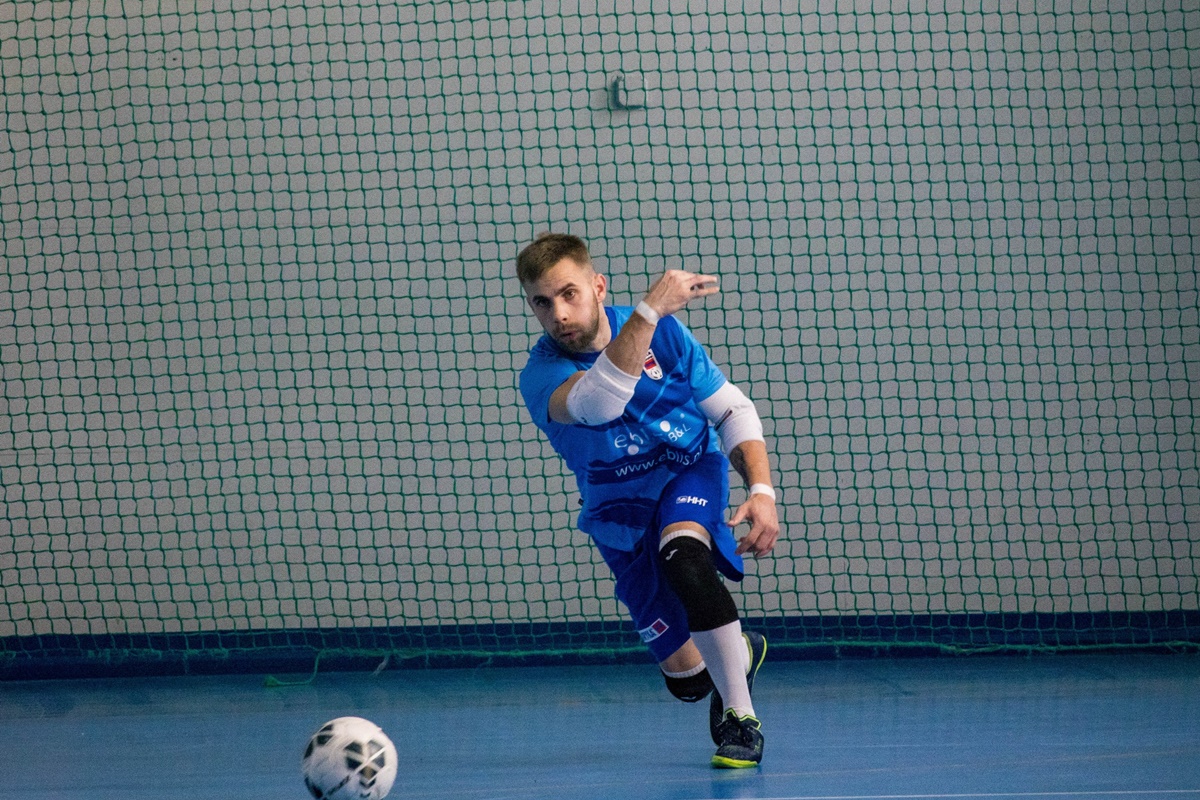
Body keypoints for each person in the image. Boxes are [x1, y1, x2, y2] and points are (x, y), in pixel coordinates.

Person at [515, 232, 781, 768]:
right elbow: (597, 405)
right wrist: (650, 310)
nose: (558, 313)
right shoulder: (542, 374)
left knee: (684, 555)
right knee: (688, 680)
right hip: (619, 512)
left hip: (687, 470)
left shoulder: (668, 336)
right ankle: (740, 652)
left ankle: (741, 719)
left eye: (569, 294)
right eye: (542, 302)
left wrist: (761, 491)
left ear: (597, 286)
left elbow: (731, 410)